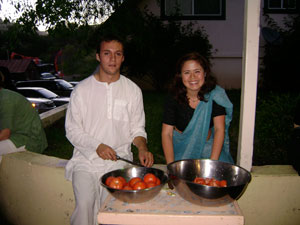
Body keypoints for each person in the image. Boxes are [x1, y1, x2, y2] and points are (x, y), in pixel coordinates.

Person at [65, 34, 154, 225]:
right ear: (98, 56)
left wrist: (142, 148)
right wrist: (96, 145)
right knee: (85, 205)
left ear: (123, 58)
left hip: (117, 160)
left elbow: (137, 128)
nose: (112, 59)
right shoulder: (81, 90)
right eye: (107, 53)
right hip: (85, 160)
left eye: (117, 54)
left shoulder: (132, 90)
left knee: (111, 209)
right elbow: (72, 130)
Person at [161, 52, 234, 164]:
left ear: (205, 73)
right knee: (181, 178)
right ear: (180, 76)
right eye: (187, 72)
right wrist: (171, 166)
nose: (192, 77)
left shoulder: (215, 95)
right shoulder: (173, 98)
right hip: (182, 149)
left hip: (208, 147)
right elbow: (167, 134)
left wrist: (212, 164)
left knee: (221, 176)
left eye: (197, 71)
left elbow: (219, 129)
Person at [0, 74, 48, 163]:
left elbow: (4, 134)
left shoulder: (5, 99)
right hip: (16, 136)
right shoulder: (4, 95)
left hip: (28, 140)